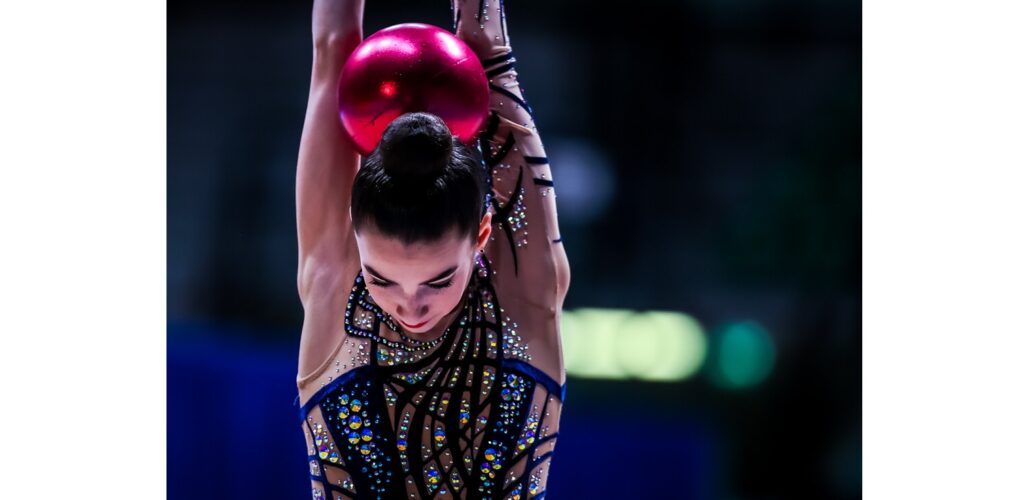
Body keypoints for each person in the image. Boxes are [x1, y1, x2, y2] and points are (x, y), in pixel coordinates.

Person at [294, 0, 570, 497]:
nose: (409, 304)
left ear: (482, 236)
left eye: (439, 279)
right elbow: (331, 47)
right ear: (353, 234)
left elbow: (484, 40)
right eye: (380, 278)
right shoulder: (335, 282)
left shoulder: (519, 299)